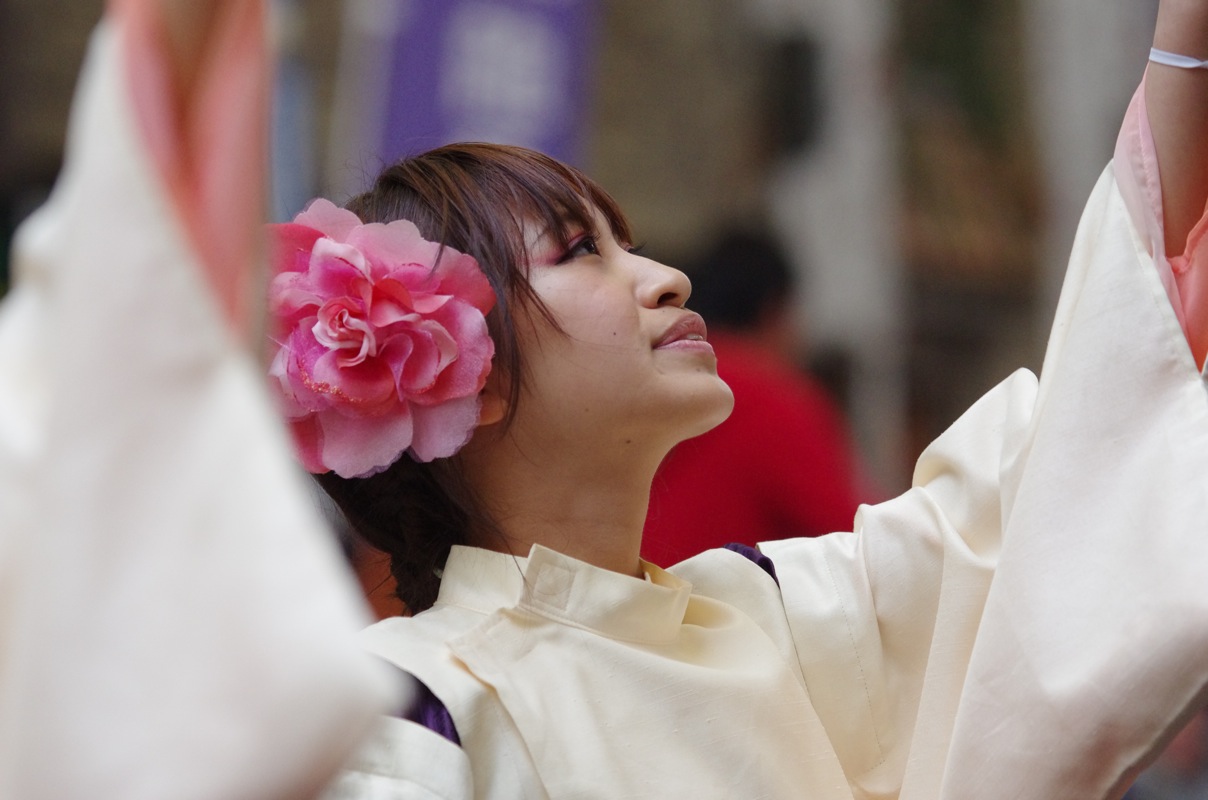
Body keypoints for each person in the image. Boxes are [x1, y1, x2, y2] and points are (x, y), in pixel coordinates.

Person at [291, 1, 1208, 795]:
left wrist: (1184, 46)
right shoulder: (421, 712)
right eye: (579, 252)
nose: (665, 279)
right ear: (471, 376)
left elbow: (1064, 459)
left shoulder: (773, 613)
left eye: (628, 243)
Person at [642, 228, 869, 565]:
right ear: (773, 310)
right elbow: (858, 541)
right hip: (723, 611)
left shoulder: (644, 380)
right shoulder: (771, 395)